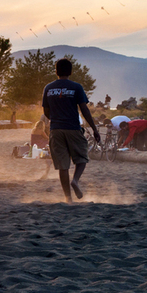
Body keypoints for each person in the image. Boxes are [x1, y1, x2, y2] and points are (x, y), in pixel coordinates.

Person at [42, 59, 99, 203]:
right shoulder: (76, 87)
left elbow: (46, 111)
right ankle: (75, 180)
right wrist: (94, 128)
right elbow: (84, 109)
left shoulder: (48, 88)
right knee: (82, 157)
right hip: (73, 127)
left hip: (55, 129)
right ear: (70, 71)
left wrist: (55, 118)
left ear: (56, 71)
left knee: (63, 165)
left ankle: (68, 197)